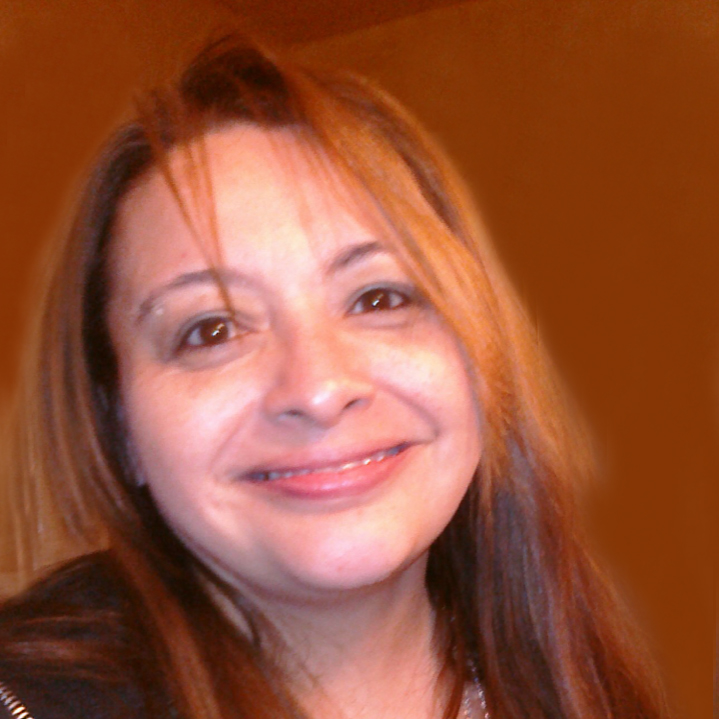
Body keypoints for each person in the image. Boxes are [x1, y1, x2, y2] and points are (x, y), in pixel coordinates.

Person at [0, 34, 669, 719]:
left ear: (479, 353)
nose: (318, 389)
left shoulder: (580, 678)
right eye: (211, 330)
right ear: (119, 428)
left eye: (378, 298)